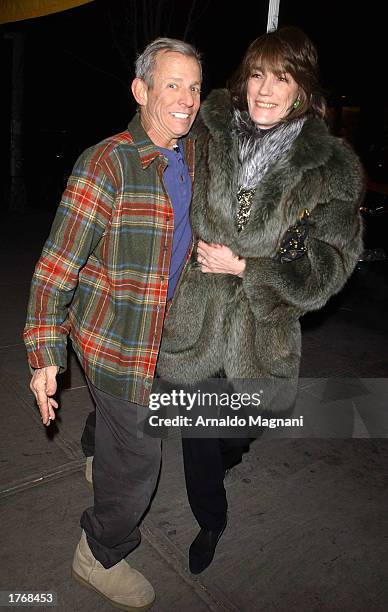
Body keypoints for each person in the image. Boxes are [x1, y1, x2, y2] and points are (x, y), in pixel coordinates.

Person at [157, 26, 364, 574]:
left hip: (261, 328)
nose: (265, 90)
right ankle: (211, 520)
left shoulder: (330, 169)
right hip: (197, 316)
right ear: (242, 80)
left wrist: (249, 267)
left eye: (282, 77)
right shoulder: (207, 130)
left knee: (236, 431)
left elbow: (331, 264)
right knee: (199, 429)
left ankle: (234, 449)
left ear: (302, 88)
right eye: (257, 75)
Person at [23, 37, 201, 610]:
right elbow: (56, 267)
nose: (187, 98)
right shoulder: (107, 163)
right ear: (141, 90)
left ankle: (99, 455)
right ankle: (97, 553)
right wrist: (44, 355)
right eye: (172, 84)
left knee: (114, 435)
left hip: (159, 331)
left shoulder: (190, 154)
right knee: (140, 460)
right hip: (115, 345)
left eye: (194, 86)